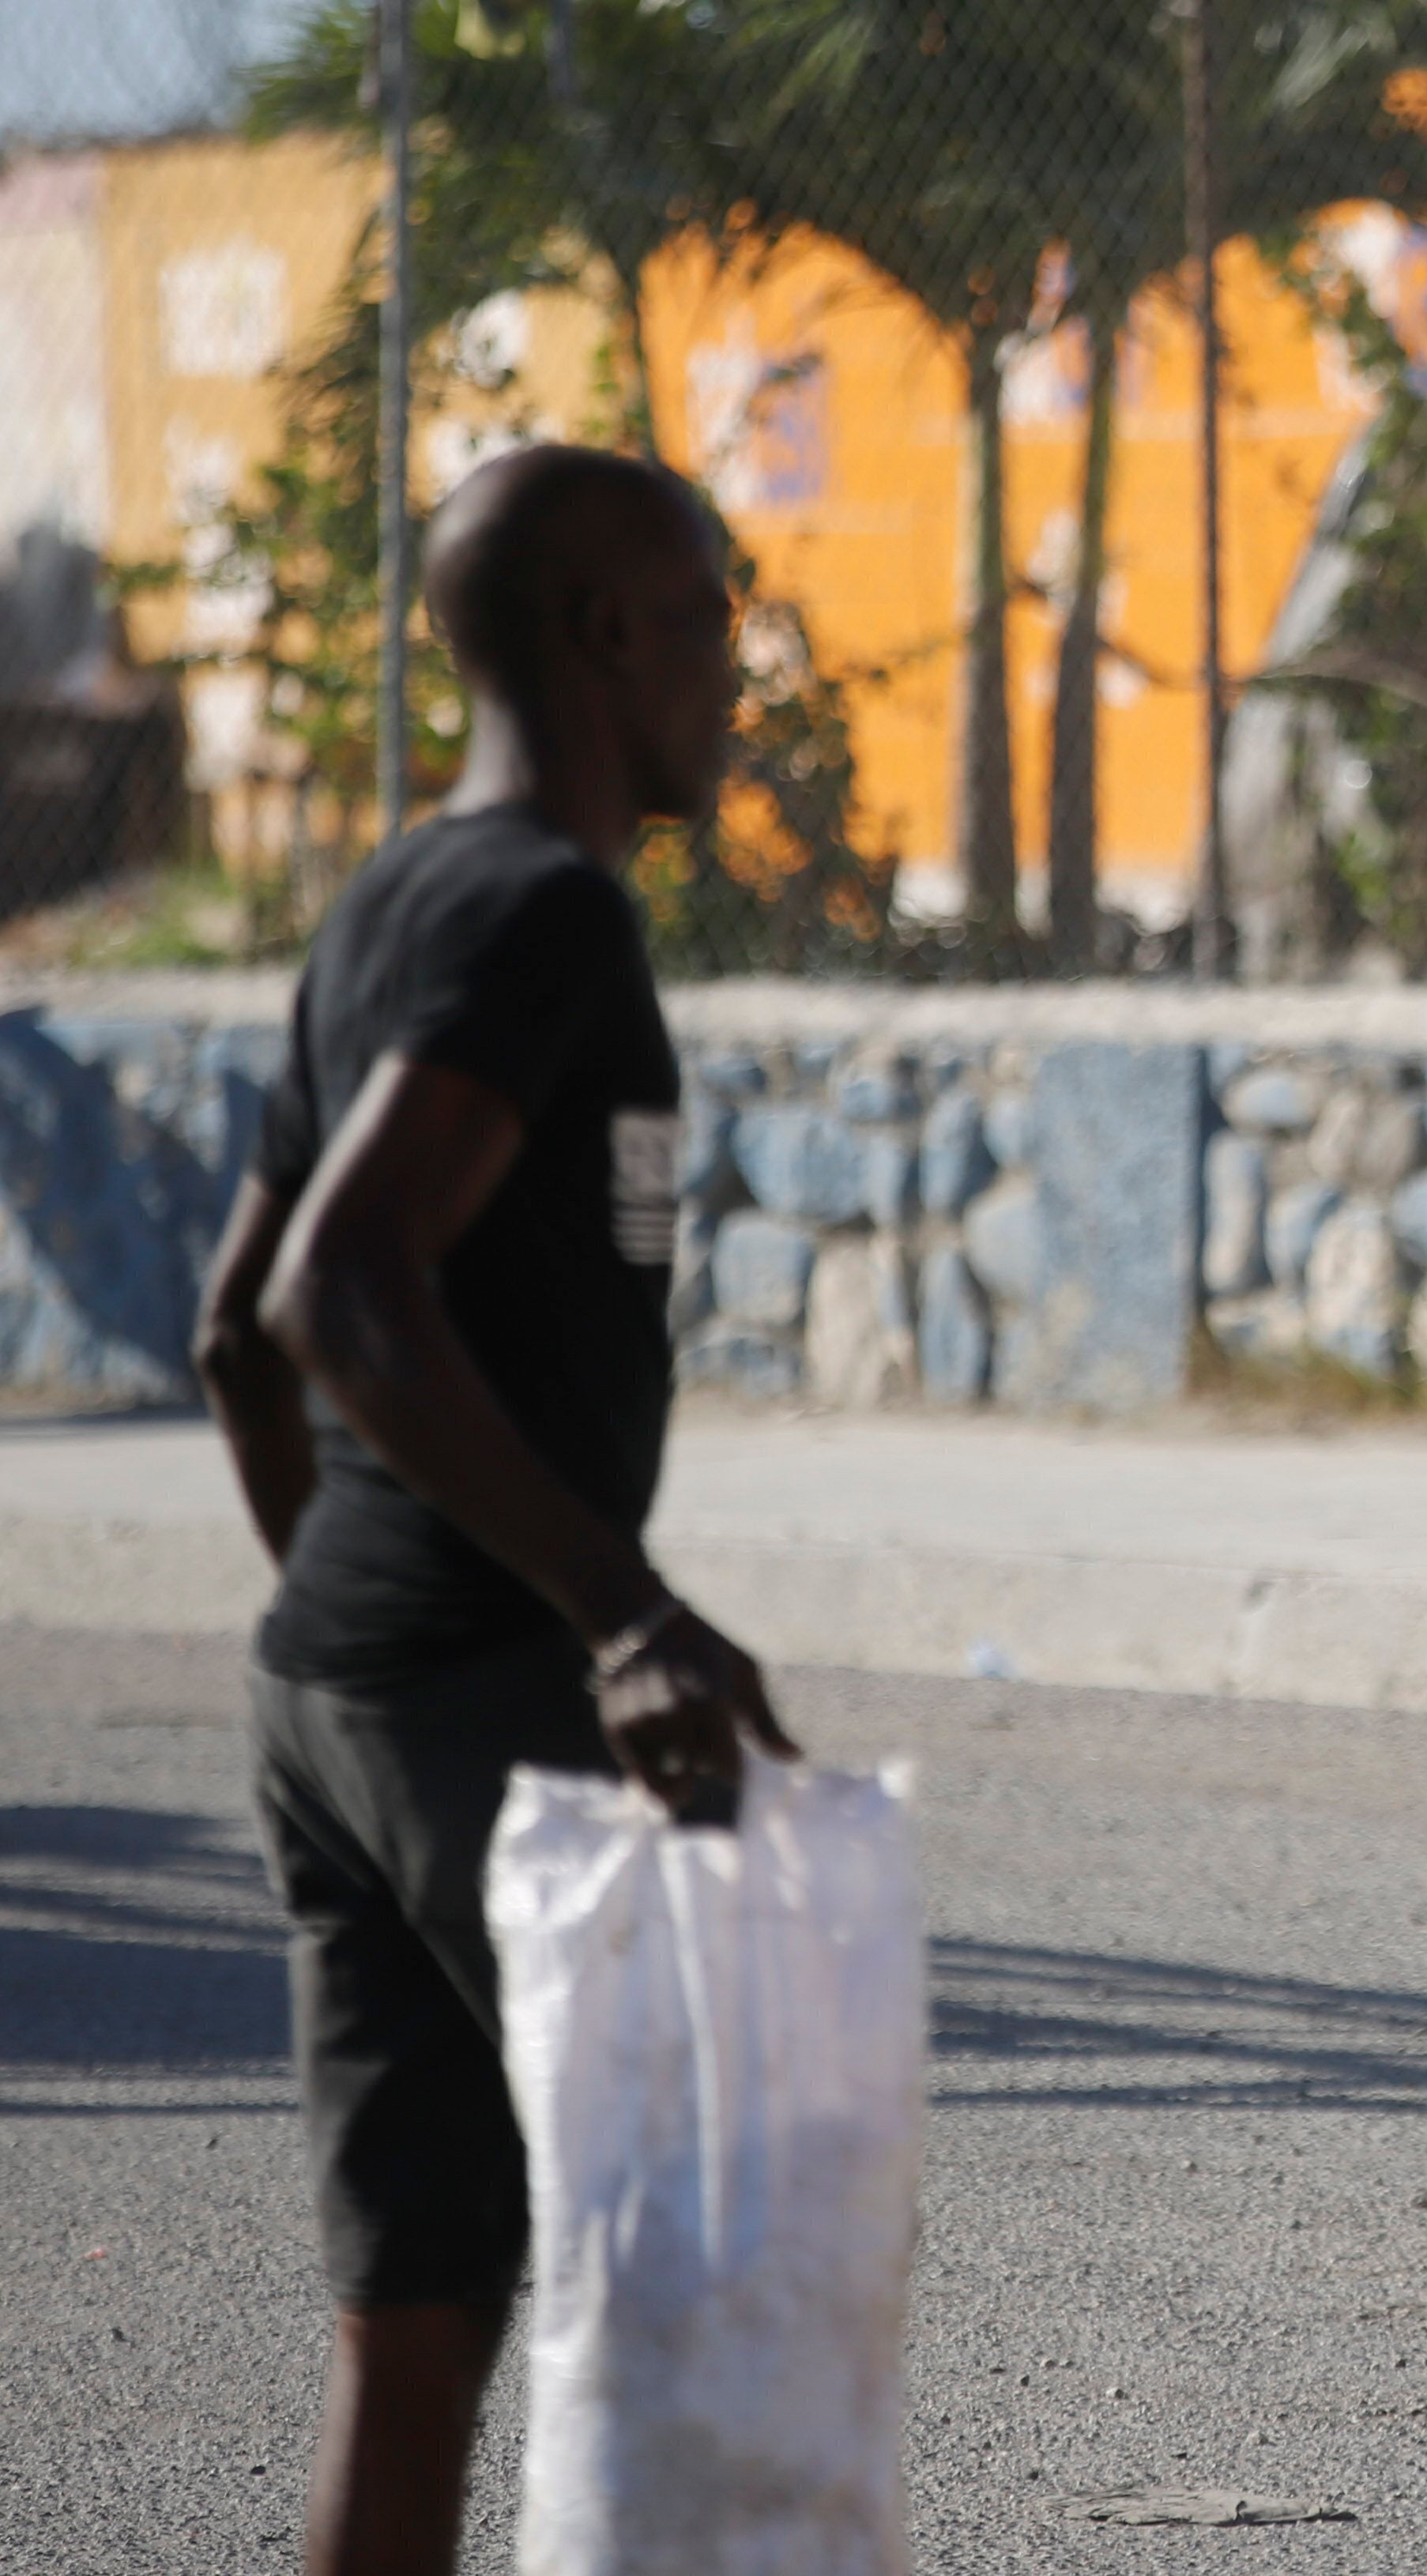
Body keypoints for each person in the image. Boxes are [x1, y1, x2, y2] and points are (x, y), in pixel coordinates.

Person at [189, 444, 778, 2576]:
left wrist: (365, 1624)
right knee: (701, 2296)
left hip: (337, 1683)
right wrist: (607, 1612)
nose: (738, 664)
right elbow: (335, 1288)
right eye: (712, 615)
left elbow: (231, 1334)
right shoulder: (541, 915)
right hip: (481, 1690)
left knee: (418, 2326)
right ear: (607, 634)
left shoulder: (389, 895)